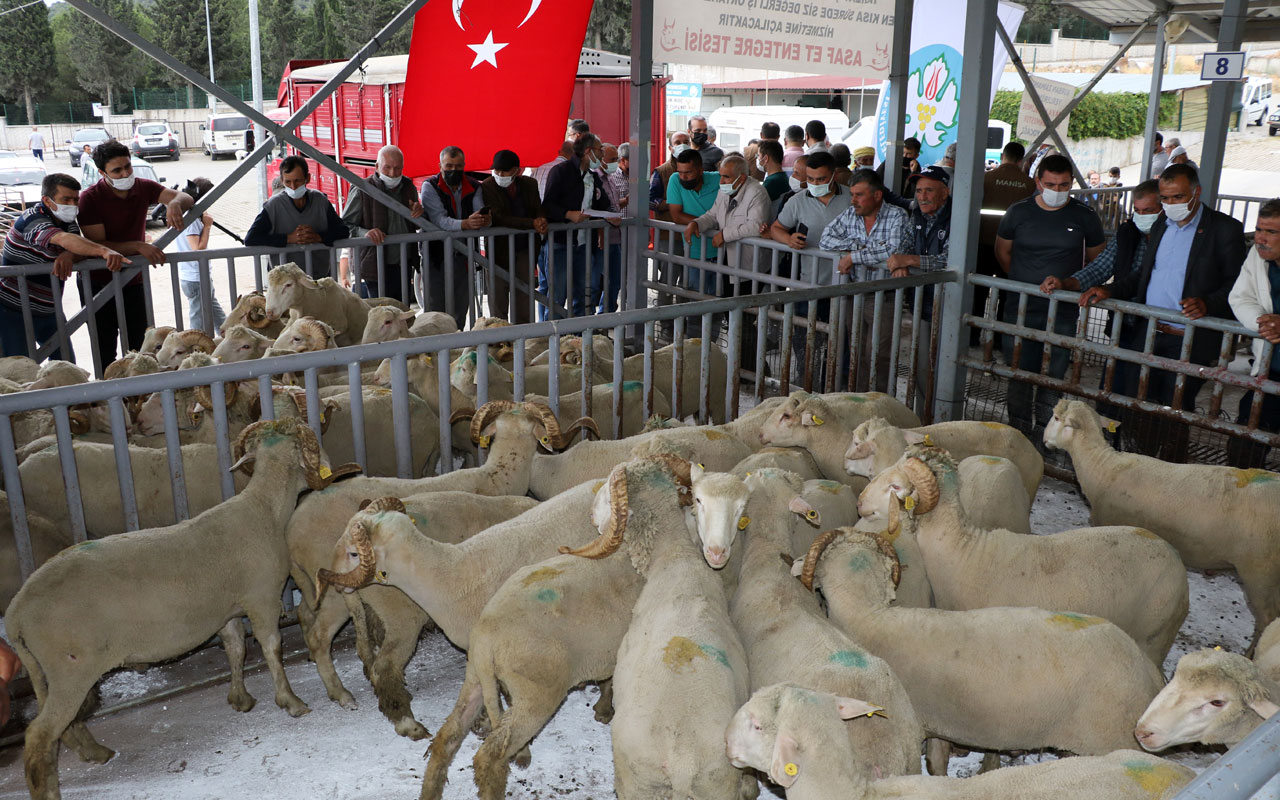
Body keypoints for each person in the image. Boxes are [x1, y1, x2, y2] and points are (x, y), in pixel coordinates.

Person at [1080, 163, 1246, 461]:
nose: (1170, 205)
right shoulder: (1161, 226)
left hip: (1188, 337)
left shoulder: (1224, 229)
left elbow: (1236, 283)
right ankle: (1139, 467)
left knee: (1174, 412)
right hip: (1149, 331)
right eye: (1166, 198)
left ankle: (1171, 476)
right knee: (1137, 404)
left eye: (1178, 197)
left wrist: (1208, 303)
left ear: (1197, 192)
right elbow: (1143, 275)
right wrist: (1110, 290)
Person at [995, 153, 1105, 437]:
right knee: (1019, 373)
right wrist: (1027, 281)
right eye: (1051, 184)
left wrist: (1069, 284)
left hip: (1063, 311)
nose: (1057, 191)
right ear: (1038, 181)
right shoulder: (1018, 212)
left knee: (1053, 377)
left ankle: (1048, 436)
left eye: (1064, 185)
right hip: (1020, 307)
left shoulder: (1085, 215)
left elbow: (1098, 260)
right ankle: (1019, 433)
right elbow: (1002, 252)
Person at [79, 140, 193, 368]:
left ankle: (139, 398)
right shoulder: (90, 199)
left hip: (133, 280)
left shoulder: (143, 187)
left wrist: (174, 203)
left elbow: (187, 198)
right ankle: (112, 399)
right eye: (117, 170)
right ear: (102, 173)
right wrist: (139, 246)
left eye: (128, 166)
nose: (125, 173)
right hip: (98, 282)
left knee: (140, 347)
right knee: (105, 349)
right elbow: (97, 243)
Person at [0, 173, 126, 361]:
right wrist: (104, 251)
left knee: (65, 365)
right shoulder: (32, 220)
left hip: (49, 309)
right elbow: (63, 239)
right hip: (12, 309)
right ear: (47, 200)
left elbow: (78, 245)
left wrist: (69, 254)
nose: (72, 205)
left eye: (76, 199)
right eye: (65, 199)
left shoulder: (67, 222)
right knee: (20, 369)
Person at [820, 169, 910, 391]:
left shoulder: (897, 215)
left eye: (859, 195)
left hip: (884, 295)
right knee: (857, 351)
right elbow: (825, 240)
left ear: (877, 195)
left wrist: (853, 256)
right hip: (855, 292)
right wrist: (858, 246)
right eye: (853, 194)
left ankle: (877, 404)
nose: (853, 200)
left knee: (878, 355)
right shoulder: (851, 214)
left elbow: (894, 249)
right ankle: (858, 400)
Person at [889, 165, 953, 403]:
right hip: (922, 302)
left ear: (944, 193)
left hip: (951, 304)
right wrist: (902, 262)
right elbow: (902, 248)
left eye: (928, 191)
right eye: (918, 191)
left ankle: (943, 417)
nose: (922, 196)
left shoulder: (957, 217)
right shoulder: (916, 214)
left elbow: (949, 260)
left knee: (946, 365)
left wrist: (909, 260)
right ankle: (925, 416)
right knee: (922, 364)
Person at [1226, 198, 1280, 468]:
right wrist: (1263, 322)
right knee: (1244, 442)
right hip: (1270, 370)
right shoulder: (1256, 258)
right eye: (1259, 229)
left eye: (1272, 232)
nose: (1261, 238)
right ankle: (1242, 502)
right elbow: (1240, 297)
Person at [1040, 179, 1161, 296]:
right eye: (1137, 210)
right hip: (1126, 314)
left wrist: (1110, 290)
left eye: (1148, 210)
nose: (1141, 216)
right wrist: (1065, 283)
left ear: (1163, 208)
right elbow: (1100, 268)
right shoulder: (1127, 233)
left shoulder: (1172, 239)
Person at [341, 145, 424, 303]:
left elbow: (416, 224)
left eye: (398, 169)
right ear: (377, 167)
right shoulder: (362, 189)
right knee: (381, 313)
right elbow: (345, 225)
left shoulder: (409, 188)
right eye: (387, 168)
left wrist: (419, 213)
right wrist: (365, 233)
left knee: (401, 309)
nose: (393, 174)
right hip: (373, 264)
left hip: (402, 263)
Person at [540, 133, 610, 319]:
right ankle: (553, 341)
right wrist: (567, 214)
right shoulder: (560, 171)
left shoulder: (591, 176)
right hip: (560, 243)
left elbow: (602, 202)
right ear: (588, 151)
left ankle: (578, 340)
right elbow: (548, 204)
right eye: (599, 150)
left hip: (584, 243)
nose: (602, 154)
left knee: (582, 293)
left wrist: (610, 215)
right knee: (557, 295)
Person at [246, 154, 349, 280]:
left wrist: (318, 237)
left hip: (319, 278)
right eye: (288, 182)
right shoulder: (273, 206)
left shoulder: (320, 201)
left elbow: (343, 231)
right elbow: (251, 238)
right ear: (282, 180)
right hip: (286, 282)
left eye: (297, 181)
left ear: (308, 178)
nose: (293, 187)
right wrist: (288, 239)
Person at [420, 146, 490, 327]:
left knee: (460, 309)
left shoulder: (474, 186)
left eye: (458, 166)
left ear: (464, 165)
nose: (453, 171)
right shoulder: (430, 186)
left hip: (464, 256)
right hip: (435, 258)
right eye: (449, 166)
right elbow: (439, 220)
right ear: (440, 165)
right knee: (435, 310)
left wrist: (484, 220)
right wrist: (465, 224)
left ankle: (456, 349)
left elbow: (478, 211)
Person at [976, 141, 1036, 343]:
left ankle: (972, 335)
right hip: (1013, 248)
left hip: (983, 243)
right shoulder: (1029, 184)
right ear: (1021, 161)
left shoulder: (986, 178)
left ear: (1003, 156)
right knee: (1007, 294)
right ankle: (1001, 340)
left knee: (978, 290)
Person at [482, 149, 546, 323]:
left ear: (517, 171)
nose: (499, 175)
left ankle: (524, 344)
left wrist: (540, 219)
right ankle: (501, 344)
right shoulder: (487, 186)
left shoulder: (529, 184)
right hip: (498, 253)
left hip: (524, 250)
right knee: (498, 304)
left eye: (504, 171)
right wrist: (531, 223)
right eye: (496, 171)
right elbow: (498, 217)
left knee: (524, 301)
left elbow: (537, 208)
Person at [667, 147, 720, 320]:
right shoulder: (675, 180)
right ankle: (696, 342)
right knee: (695, 303)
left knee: (719, 303)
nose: (683, 177)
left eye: (688, 173)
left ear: (700, 170)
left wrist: (701, 224)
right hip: (695, 251)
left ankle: (712, 344)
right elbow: (676, 215)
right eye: (680, 172)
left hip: (723, 251)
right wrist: (708, 223)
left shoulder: (718, 179)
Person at [173, 177, 225, 333]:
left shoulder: (189, 215)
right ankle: (194, 349)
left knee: (215, 312)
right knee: (198, 320)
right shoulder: (192, 219)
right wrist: (207, 226)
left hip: (195, 275)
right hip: (195, 277)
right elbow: (197, 249)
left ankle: (227, 336)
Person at [592, 143, 625, 313]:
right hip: (600, 239)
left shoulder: (611, 178)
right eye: (612, 160)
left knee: (615, 280)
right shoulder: (593, 179)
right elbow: (594, 207)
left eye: (616, 159)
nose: (616, 163)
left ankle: (606, 315)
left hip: (615, 237)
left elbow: (611, 205)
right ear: (601, 160)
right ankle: (589, 320)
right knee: (594, 281)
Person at [536, 119, 590, 198]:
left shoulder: (540, 167)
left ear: (577, 135)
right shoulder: (572, 169)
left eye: (569, 134)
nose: (567, 137)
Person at [757, 139, 789, 207]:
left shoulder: (772, 182)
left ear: (766, 158)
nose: (758, 159)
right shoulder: (782, 177)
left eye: (759, 156)